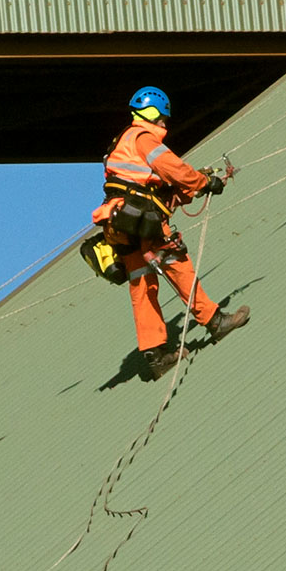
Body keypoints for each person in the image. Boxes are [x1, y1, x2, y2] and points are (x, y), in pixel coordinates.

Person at [92, 86, 250, 379]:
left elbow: (153, 184)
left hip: (120, 225)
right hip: (141, 220)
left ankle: (155, 356)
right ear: (154, 115)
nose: (165, 125)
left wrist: (189, 187)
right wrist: (204, 183)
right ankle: (215, 322)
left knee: (142, 286)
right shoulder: (143, 138)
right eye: (163, 119)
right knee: (177, 264)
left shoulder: (122, 142)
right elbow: (172, 168)